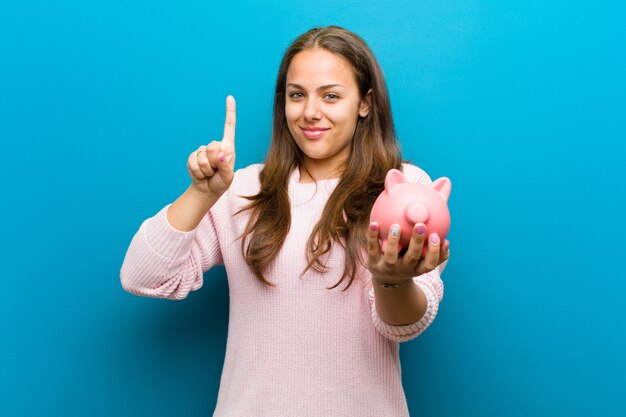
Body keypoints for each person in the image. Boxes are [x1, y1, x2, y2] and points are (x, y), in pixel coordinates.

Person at [120, 25, 450, 417]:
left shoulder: (403, 189)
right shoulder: (243, 189)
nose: (310, 112)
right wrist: (203, 193)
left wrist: (390, 278)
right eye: (297, 95)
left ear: (365, 102)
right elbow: (142, 277)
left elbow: (405, 325)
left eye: (330, 95)